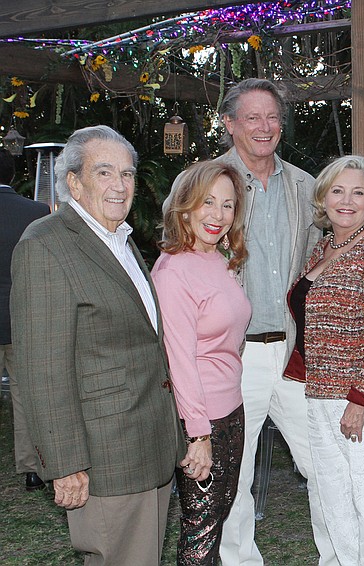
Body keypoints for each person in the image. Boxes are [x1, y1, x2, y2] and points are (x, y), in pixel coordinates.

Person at [10, 125, 182, 565]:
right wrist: (65, 463)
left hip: (147, 443)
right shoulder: (46, 244)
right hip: (103, 455)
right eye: (104, 173)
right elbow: (41, 368)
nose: (119, 185)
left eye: (127, 174)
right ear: (74, 182)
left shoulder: (121, 242)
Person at [196, 77, 325, 565]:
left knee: (323, 462)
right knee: (234, 472)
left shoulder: (305, 186)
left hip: (294, 353)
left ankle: (340, 557)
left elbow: (322, 258)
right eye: (251, 117)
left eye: (272, 117)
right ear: (229, 124)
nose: (264, 127)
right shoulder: (205, 184)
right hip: (234, 356)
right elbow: (178, 244)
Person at [289, 155, 364, 565]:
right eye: (338, 190)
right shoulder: (325, 246)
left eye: (358, 192)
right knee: (330, 498)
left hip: (361, 402)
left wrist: (361, 399)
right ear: (323, 196)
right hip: (320, 394)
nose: (347, 200)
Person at [153, 161, 251, 564]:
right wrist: (198, 435)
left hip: (230, 408)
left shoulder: (217, 259)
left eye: (227, 205)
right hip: (202, 419)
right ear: (185, 206)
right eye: (207, 202)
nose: (218, 214)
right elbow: (179, 361)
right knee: (200, 529)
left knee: (214, 521)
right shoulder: (174, 270)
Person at [0, 148, 49, 492]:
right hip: (21, 315)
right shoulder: (36, 212)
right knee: (24, 393)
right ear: (14, 176)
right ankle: (32, 469)